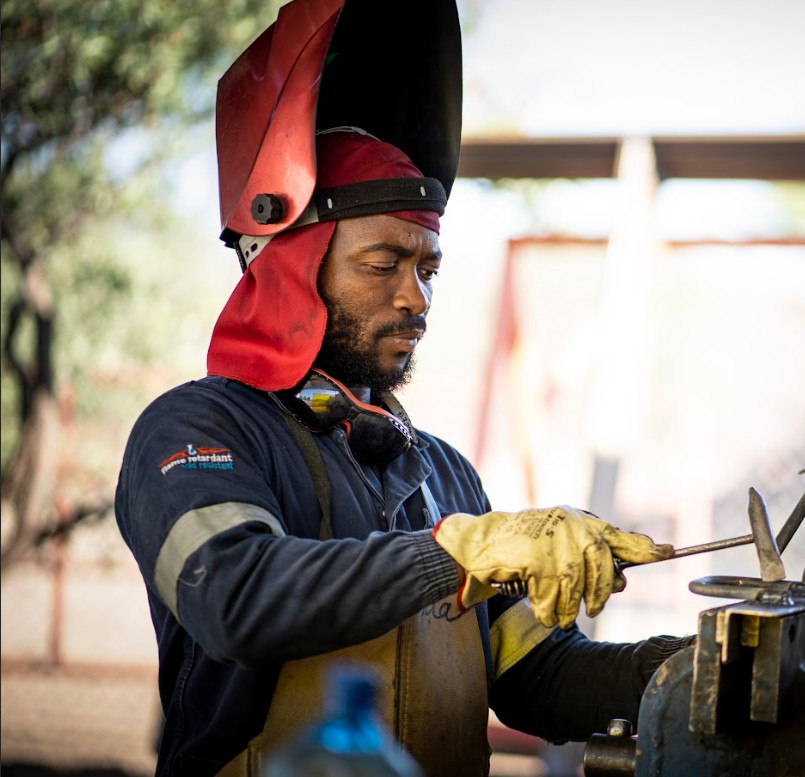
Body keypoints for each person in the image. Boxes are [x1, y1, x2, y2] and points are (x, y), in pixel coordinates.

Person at [114, 3, 694, 774]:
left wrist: (705, 668)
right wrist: (456, 551)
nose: (417, 298)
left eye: (428, 268)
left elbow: (539, 679)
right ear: (294, 264)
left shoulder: (445, 472)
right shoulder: (197, 426)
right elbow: (237, 597)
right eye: (384, 264)